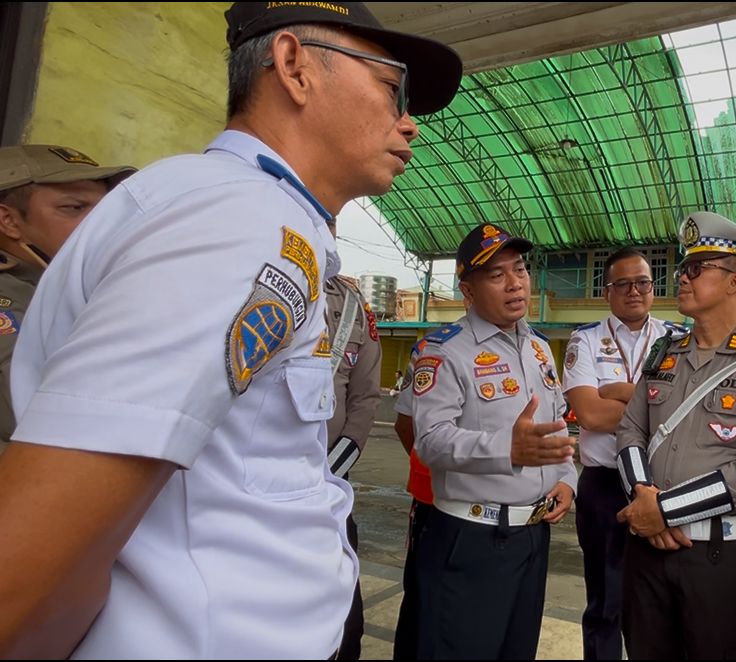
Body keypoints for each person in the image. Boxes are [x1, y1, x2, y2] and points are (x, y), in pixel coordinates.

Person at [0, 2, 461, 657]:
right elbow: (35, 553)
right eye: (392, 89)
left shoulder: (255, 216)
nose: (409, 123)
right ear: (295, 67)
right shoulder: (237, 221)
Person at [615, 211, 736, 659]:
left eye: (697, 269)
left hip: (725, 561)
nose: (682, 278)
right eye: (683, 268)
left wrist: (663, 510)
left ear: (734, 281)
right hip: (648, 552)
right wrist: (645, 499)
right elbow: (630, 430)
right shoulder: (665, 353)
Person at [410, 222, 577, 659]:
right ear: (468, 291)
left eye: (519, 269)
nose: (515, 283)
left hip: (533, 537)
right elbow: (429, 440)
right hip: (473, 539)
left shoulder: (539, 349)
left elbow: (556, 425)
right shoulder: (444, 351)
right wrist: (506, 448)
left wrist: (566, 480)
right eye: (496, 275)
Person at [562, 246, 684, 660]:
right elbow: (592, 415)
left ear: (653, 288)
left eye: (643, 282)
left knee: (660, 604)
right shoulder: (585, 339)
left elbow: (688, 414)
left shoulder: (678, 340)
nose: (635, 291)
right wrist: (653, 399)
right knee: (605, 603)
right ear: (607, 291)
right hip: (604, 487)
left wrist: (623, 393)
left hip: (663, 485)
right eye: (624, 284)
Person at [0, 144, 133, 449]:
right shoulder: (9, 296)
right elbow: (30, 410)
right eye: (74, 208)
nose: (99, 223)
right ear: (9, 221)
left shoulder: (60, 281)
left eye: (103, 209)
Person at [323, 267, 384, 659]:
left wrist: (329, 471)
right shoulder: (239, 275)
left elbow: (364, 400)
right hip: (244, 495)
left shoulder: (352, 306)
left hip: (328, 494)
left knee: (346, 626)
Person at [390, 341, 433, 661]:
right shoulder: (431, 349)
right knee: (422, 605)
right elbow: (405, 424)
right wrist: (430, 467)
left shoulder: (533, 349)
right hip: (433, 504)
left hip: (504, 508)